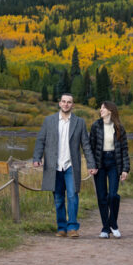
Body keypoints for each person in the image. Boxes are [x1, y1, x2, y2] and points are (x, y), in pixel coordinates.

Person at [32, 93, 96, 238]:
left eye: (69, 102)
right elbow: (40, 140)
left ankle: (72, 227)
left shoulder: (79, 122)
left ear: (73, 105)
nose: (66, 104)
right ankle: (61, 227)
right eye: (64, 101)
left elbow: (85, 145)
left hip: (71, 166)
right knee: (59, 198)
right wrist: (37, 157)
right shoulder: (49, 121)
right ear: (59, 103)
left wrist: (91, 164)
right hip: (54, 166)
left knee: (73, 195)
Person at [88, 101, 130, 239]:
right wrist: (91, 165)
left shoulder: (119, 128)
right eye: (100, 108)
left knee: (112, 195)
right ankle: (105, 228)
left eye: (103, 108)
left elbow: (124, 150)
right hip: (99, 163)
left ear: (110, 111)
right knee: (101, 197)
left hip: (114, 163)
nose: (101, 110)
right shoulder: (96, 126)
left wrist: (125, 169)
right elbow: (90, 148)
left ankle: (113, 223)